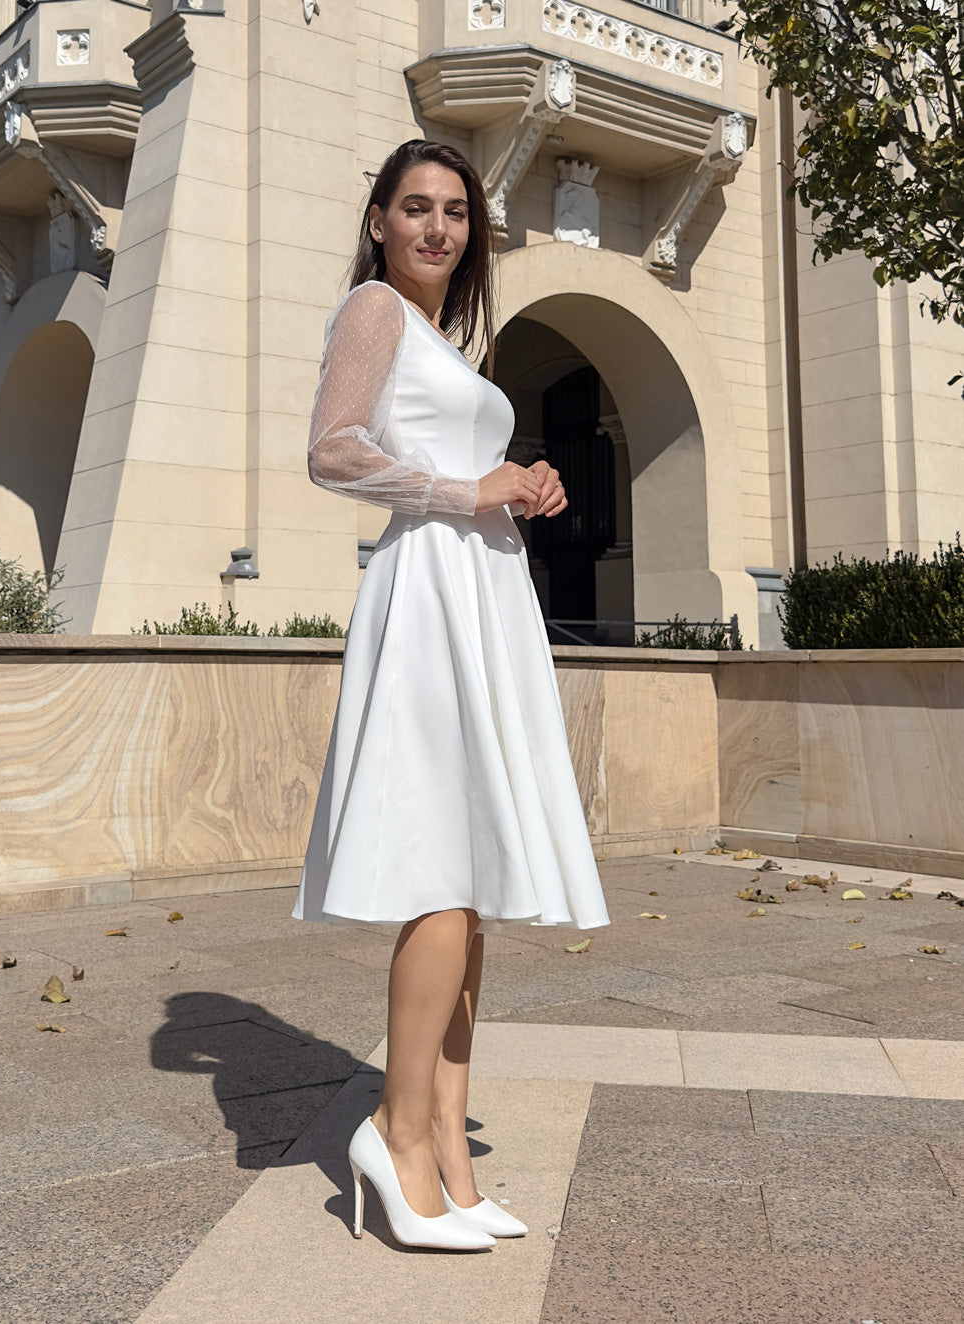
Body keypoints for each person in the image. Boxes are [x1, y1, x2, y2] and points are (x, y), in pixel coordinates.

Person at [291, 139, 611, 1250]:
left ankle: (446, 1145)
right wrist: (462, 485)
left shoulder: (440, 336)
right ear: (378, 219)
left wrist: (521, 482)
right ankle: (390, 1127)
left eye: (456, 213)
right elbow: (333, 453)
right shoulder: (373, 308)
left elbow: (449, 463)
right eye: (416, 208)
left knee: (471, 889)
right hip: (429, 593)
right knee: (440, 871)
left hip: (481, 586)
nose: (438, 228)